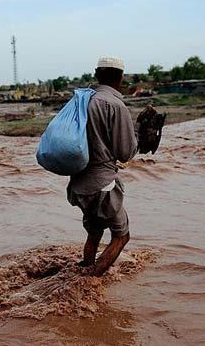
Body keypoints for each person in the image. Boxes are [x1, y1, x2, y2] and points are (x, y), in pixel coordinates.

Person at [67, 56, 137, 277]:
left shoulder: (83, 100)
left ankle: (85, 266)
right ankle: (89, 280)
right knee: (121, 236)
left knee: (95, 233)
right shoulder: (116, 105)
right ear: (120, 78)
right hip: (103, 184)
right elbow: (125, 152)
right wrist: (138, 140)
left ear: (97, 74)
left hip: (79, 182)